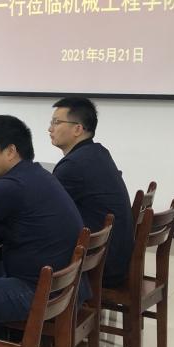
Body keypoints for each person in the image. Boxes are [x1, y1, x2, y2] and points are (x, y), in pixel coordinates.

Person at [0, 115, 83, 325]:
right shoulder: (37, 173)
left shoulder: (9, 186)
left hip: (36, 292)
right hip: (66, 286)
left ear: (10, 151)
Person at [49, 97, 135, 288]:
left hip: (100, 265)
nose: (50, 128)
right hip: (114, 256)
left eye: (56, 122)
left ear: (77, 129)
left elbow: (44, 211)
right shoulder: (97, 152)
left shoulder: (73, 165)